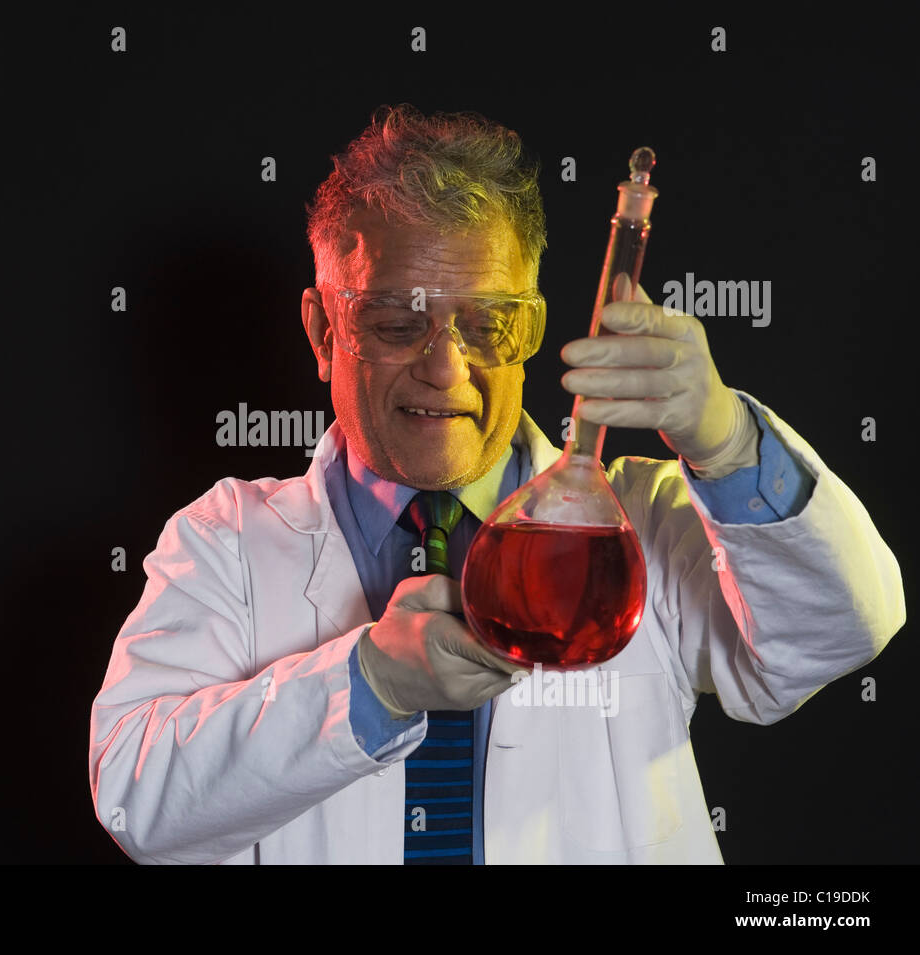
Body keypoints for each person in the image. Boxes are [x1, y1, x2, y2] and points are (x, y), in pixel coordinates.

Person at [87, 103, 905, 864]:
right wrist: (371, 682)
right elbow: (137, 794)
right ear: (323, 331)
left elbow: (838, 631)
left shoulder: (646, 521)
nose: (446, 369)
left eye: (487, 323)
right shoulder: (226, 541)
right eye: (397, 323)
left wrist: (724, 437)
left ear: (534, 326)